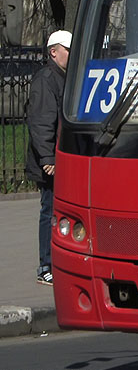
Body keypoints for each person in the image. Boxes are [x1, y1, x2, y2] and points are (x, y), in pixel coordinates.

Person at [26, 29, 70, 286]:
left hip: (60, 157)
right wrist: (47, 157)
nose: (71, 54)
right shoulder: (46, 80)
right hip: (51, 160)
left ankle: (57, 262)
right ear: (53, 52)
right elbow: (42, 121)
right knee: (49, 210)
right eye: (67, 49)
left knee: (58, 211)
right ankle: (46, 265)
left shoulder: (63, 78)